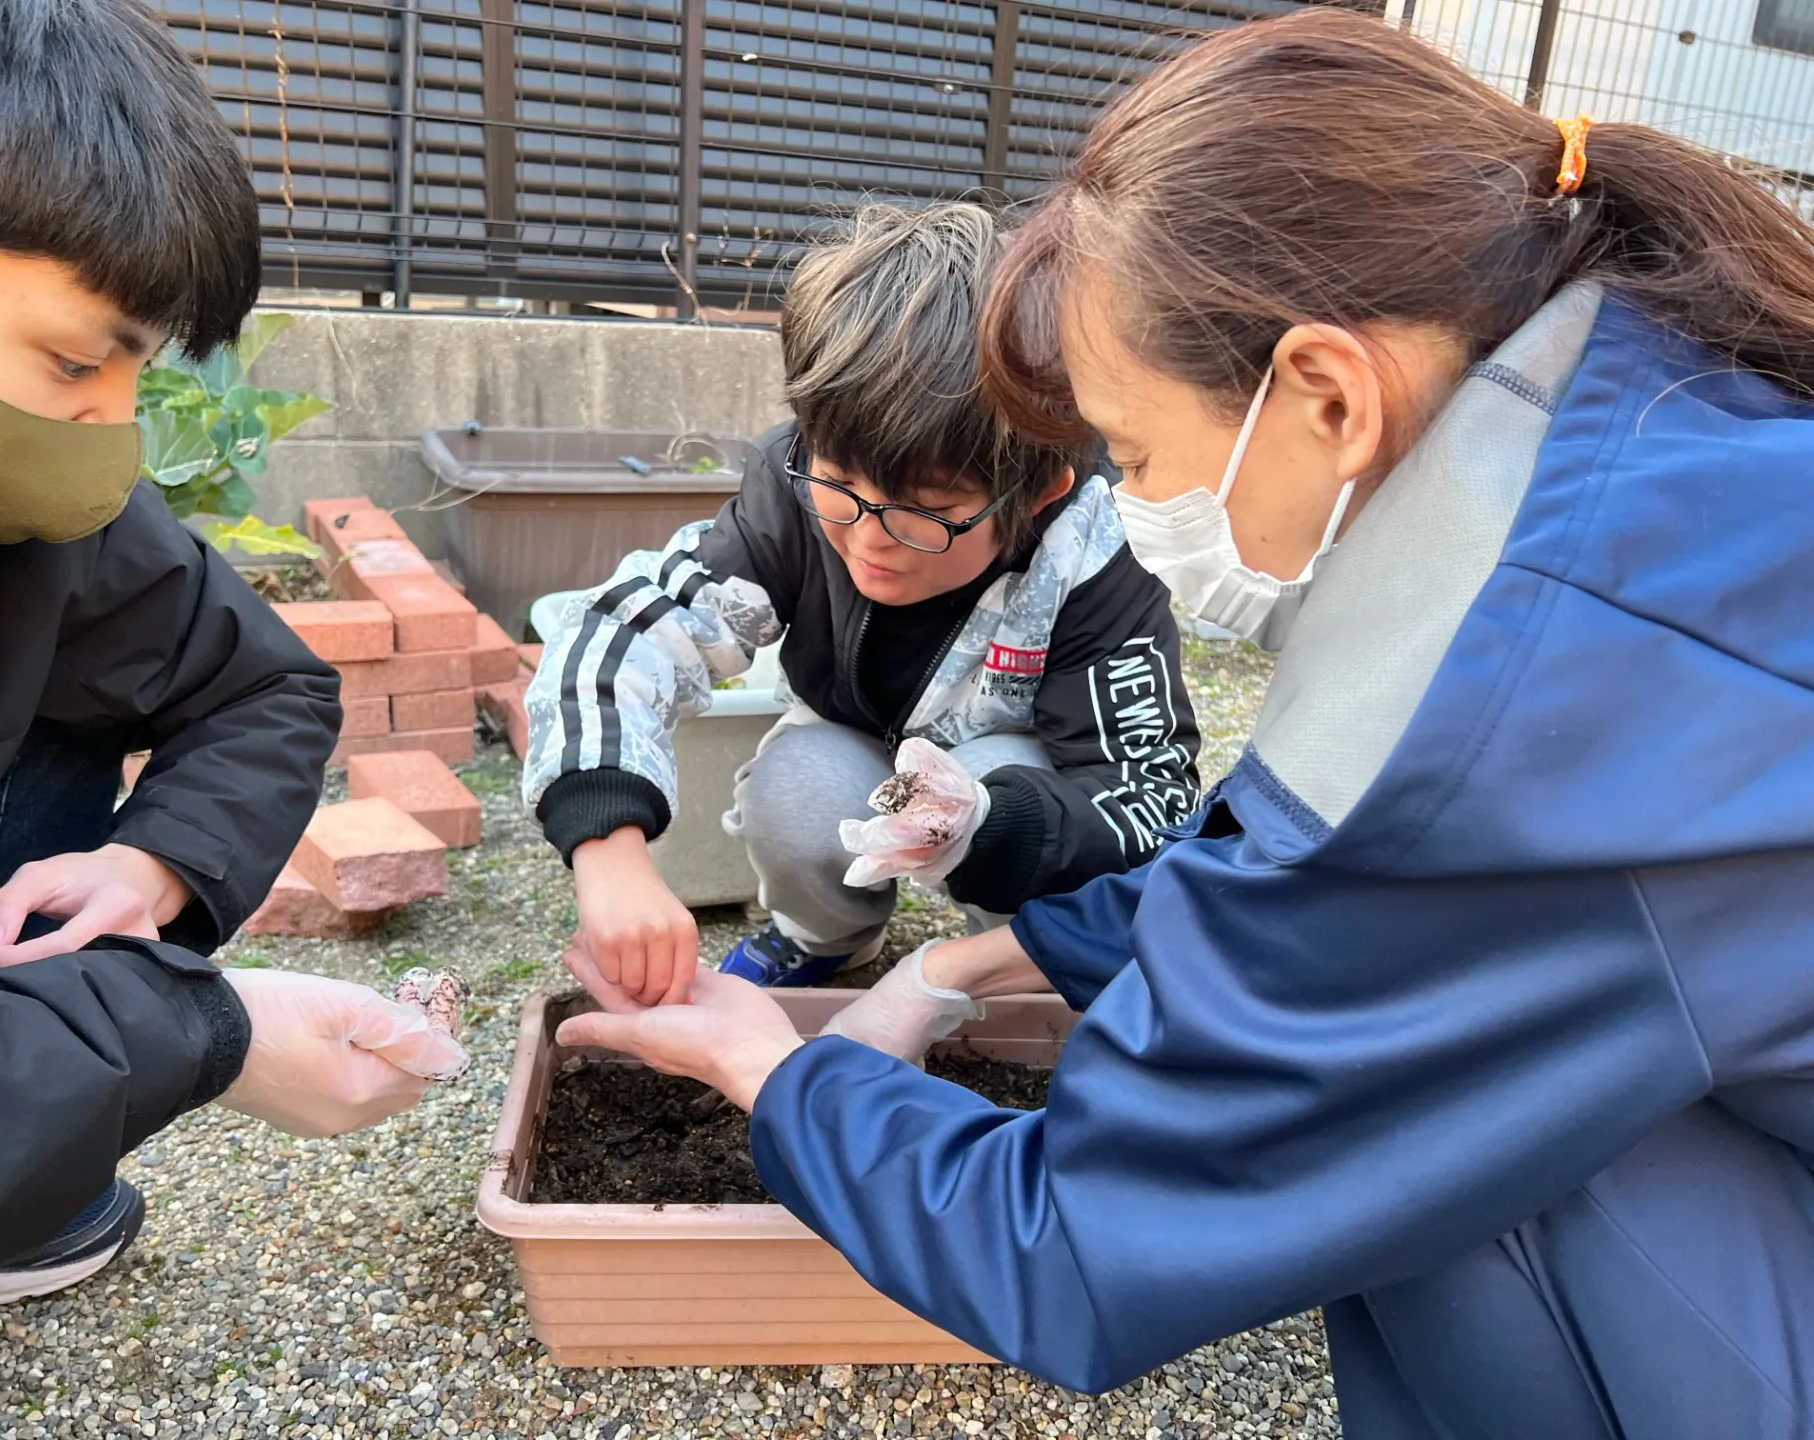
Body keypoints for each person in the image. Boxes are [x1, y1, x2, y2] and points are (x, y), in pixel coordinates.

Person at [551, 11, 1814, 1434]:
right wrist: (966, 964)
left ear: (1324, 393)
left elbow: (1075, 1239)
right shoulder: (1664, 411)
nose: (1140, 503)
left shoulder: (1497, 723)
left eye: (1137, 452)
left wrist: (764, 1063)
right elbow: (1281, 883)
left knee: (1446, 1163)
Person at [0, 0, 465, 1307]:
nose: (112, 425)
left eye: (134, 373)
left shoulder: (34, 495)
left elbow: (260, 679)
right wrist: (202, 1035)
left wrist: (150, 866)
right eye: (74, 361)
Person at [524, 203, 1200, 997]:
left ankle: (1018, 969)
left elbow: (1148, 800)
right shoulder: (794, 488)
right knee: (796, 787)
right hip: (857, 742)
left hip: (1001, 772)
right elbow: (620, 634)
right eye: (842, 485)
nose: (870, 538)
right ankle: (826, 940)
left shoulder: (1094, 550)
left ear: (1040, 492)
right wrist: (609, 855)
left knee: (1005, 773)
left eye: (929, 511)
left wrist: (988, 824)